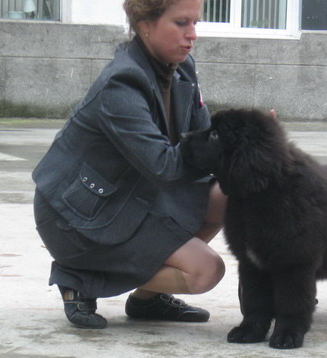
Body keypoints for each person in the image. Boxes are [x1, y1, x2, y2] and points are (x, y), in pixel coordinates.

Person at [31, 0, 226, 329]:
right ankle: (79, 276)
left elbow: (203, 138)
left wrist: (251, 141)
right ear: (145, 23)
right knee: (205, 271)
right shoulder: (121, 82)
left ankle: (147, 299)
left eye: (196, 22)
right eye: (181, 23)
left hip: (136, 198)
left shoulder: (183, 69)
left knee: (229, 192)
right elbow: (165, 167)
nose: (192, 34)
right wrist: (225, 147)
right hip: (80, 217)